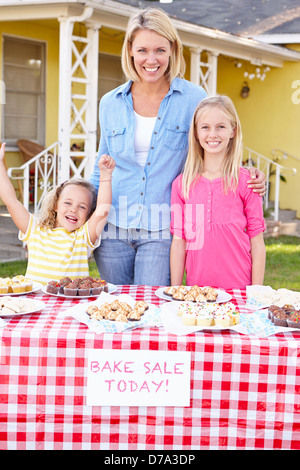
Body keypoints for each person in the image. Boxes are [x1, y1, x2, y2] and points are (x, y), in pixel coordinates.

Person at [89, 7, 266, 286]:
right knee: (115, 314)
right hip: (112, 230)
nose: (151, 59)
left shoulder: (193, 97)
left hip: (161, 231)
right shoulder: (110, 102)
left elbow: (213, 138)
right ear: (130, 50)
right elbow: (101, 166)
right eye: (143, 50)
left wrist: (248, 175)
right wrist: (85, 220)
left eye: (160, 50)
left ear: (172, 49)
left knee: (154, 315)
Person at [170, 95, 266, 290]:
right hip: (197, 292)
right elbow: (178, 243)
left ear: (233, 130)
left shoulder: (247, 182)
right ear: (196, 132)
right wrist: (176, 290)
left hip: (239, 290)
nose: (212, 134)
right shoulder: (182, 185)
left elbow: (257, 243)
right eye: (205, 127)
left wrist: (256, 293)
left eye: (220, 126)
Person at [0, 141, 115, 285]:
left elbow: (102, 211)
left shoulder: (83, 238)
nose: (74, 209)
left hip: (71, 304)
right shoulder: (35, 230)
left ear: (88, 215)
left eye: (82, 207)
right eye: (67, 203)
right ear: (55, 205)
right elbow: (11, 201)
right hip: (36, 303)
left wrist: (105, 176)